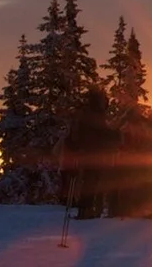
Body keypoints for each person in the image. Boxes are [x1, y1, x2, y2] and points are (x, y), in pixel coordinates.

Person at [61, 90, 118, 219]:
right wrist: (114, 136)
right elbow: (101, 133)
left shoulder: (85, 113)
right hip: (93, 153)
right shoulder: (95, 114)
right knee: (91, 182)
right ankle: (86, 210)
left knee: (89, 181)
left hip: (85, 153)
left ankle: (86, 209)